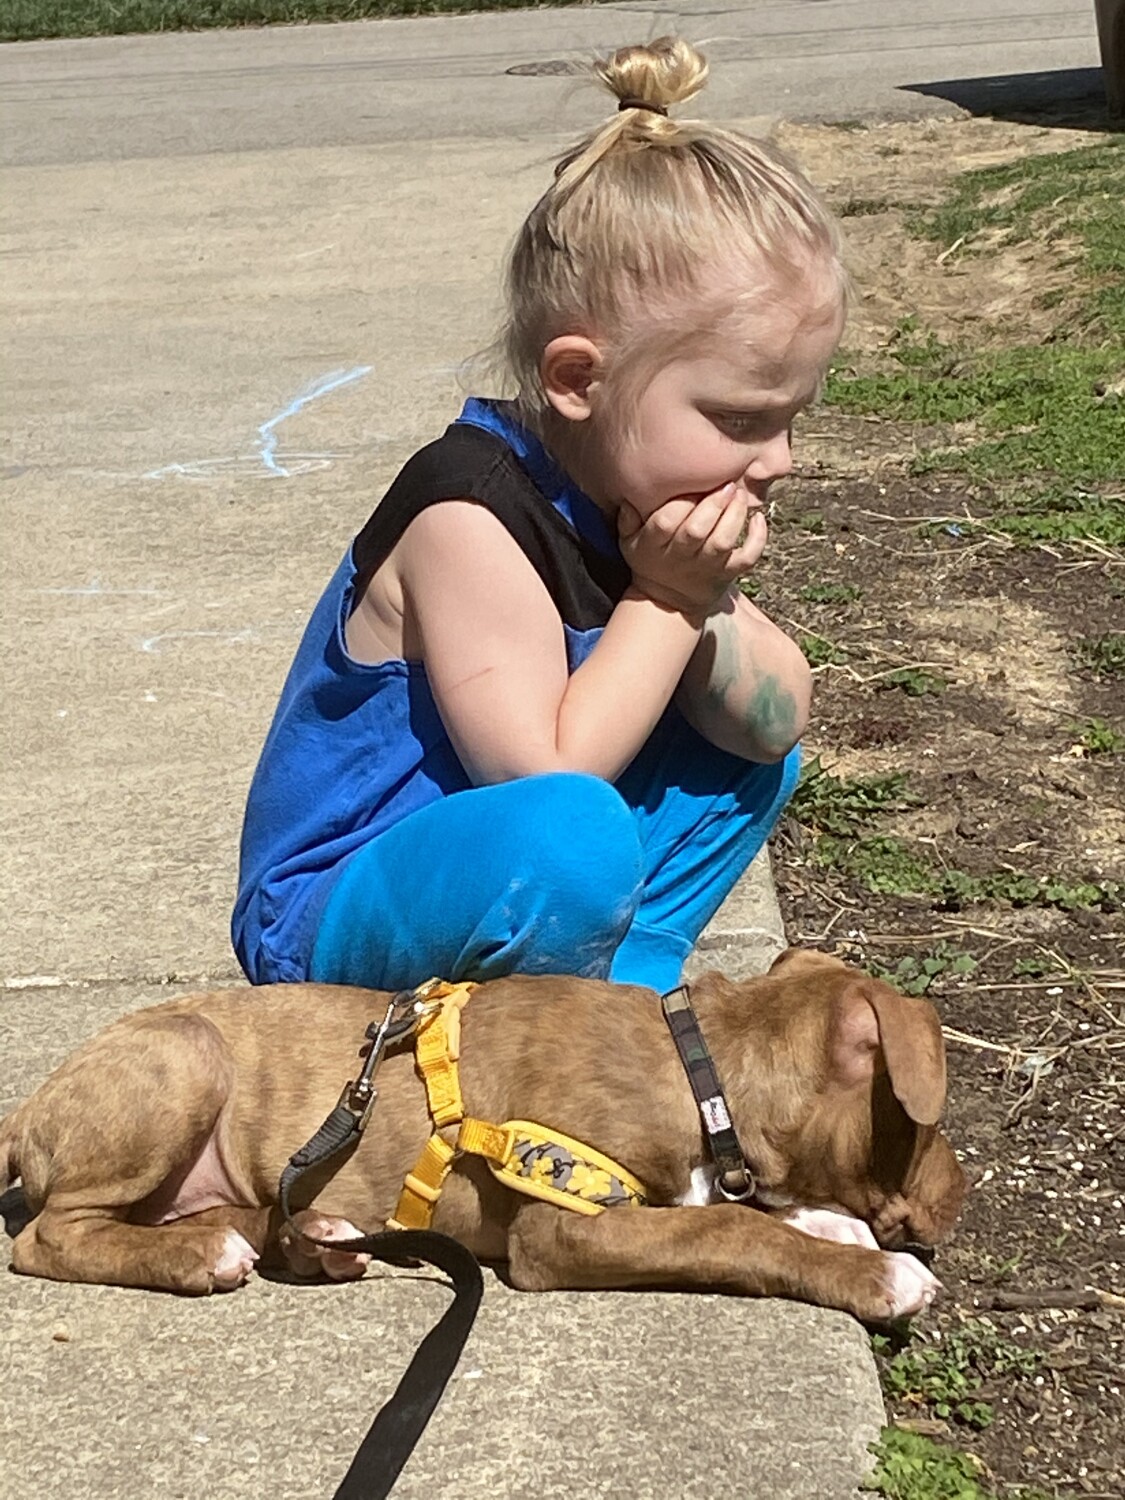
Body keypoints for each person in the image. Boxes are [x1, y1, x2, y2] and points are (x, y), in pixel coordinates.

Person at [232, 36, 847, 999]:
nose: (777, 461)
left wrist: (702, 598)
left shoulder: (640, 499)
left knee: (740, 758)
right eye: (739, 420)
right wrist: (667, 599)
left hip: (515, 876)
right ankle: (551, 1029)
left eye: (790, 420)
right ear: (576, 381)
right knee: (571, 830)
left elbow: (777, 723)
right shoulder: (468, 512)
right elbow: (546, 771)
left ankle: (618, 997)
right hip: (340, 909)